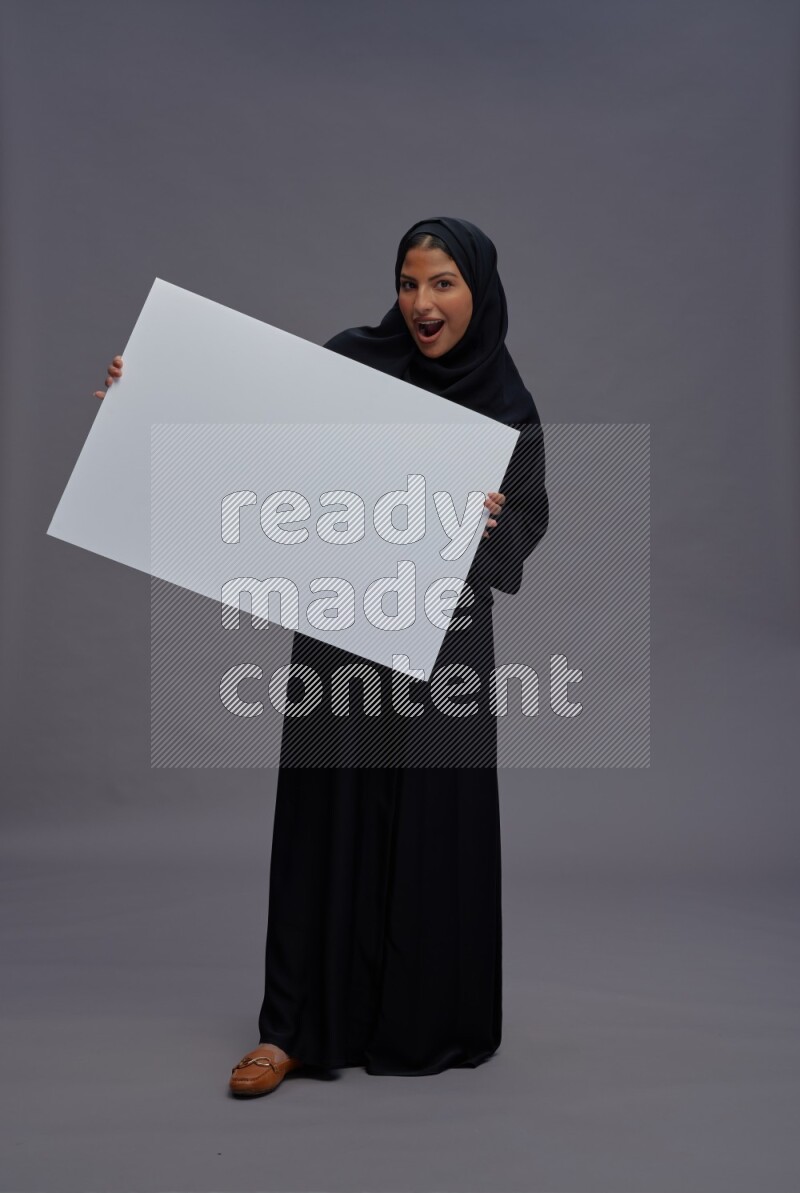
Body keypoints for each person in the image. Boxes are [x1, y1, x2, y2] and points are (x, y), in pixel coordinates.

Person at [95, 215, 549, 1097]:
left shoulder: (507, 404)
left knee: (433, 825)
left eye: (443, 284)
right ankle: (294, 1028)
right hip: (343, 631)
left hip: (446, 644)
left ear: (480, 291)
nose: (421, 303)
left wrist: (492, 526)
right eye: (409, 283)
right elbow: (250, 442)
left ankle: (428, 1021)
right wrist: (140, 397)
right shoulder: (352, 363)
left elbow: (523, 536)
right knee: (323, 820)